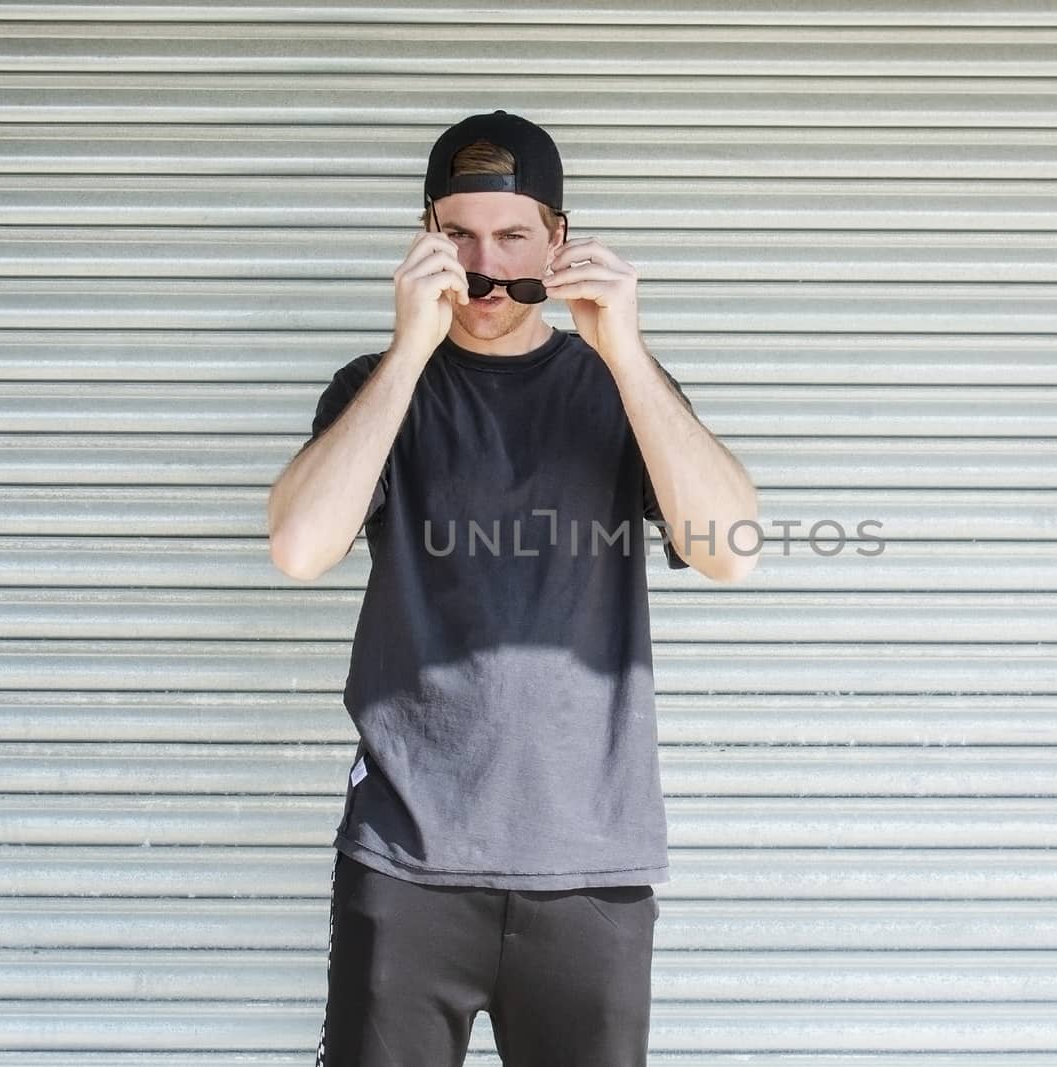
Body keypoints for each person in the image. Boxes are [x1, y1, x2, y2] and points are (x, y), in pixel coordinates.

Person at [265, 109, 760, 1066]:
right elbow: (297, 547)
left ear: (560, 240)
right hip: (407, 861)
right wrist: (410, 347)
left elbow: (731, 549)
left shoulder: (625, 389)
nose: (484, 267)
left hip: (590, 865)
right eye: (457, 236)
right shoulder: (375, 387)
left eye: (512, 238)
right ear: (424, 238)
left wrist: (625, 348)